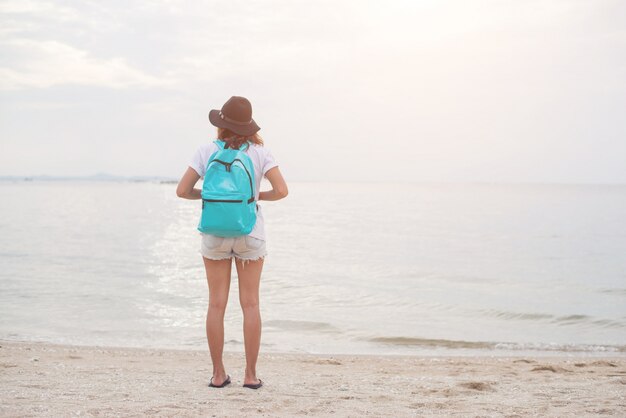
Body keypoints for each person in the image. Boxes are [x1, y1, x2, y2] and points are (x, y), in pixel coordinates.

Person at [176, 96, 288, 389]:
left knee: (216, 304)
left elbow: (182, 191)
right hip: (250, 232)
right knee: (250, 304)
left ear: (221, 124)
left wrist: (212, 197)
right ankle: (251, 376)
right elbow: (281, 190)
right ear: (249, 126)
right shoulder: (261, 153)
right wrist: (252, 197)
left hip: (214, 233)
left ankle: (217, 374)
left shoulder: (205, 151)